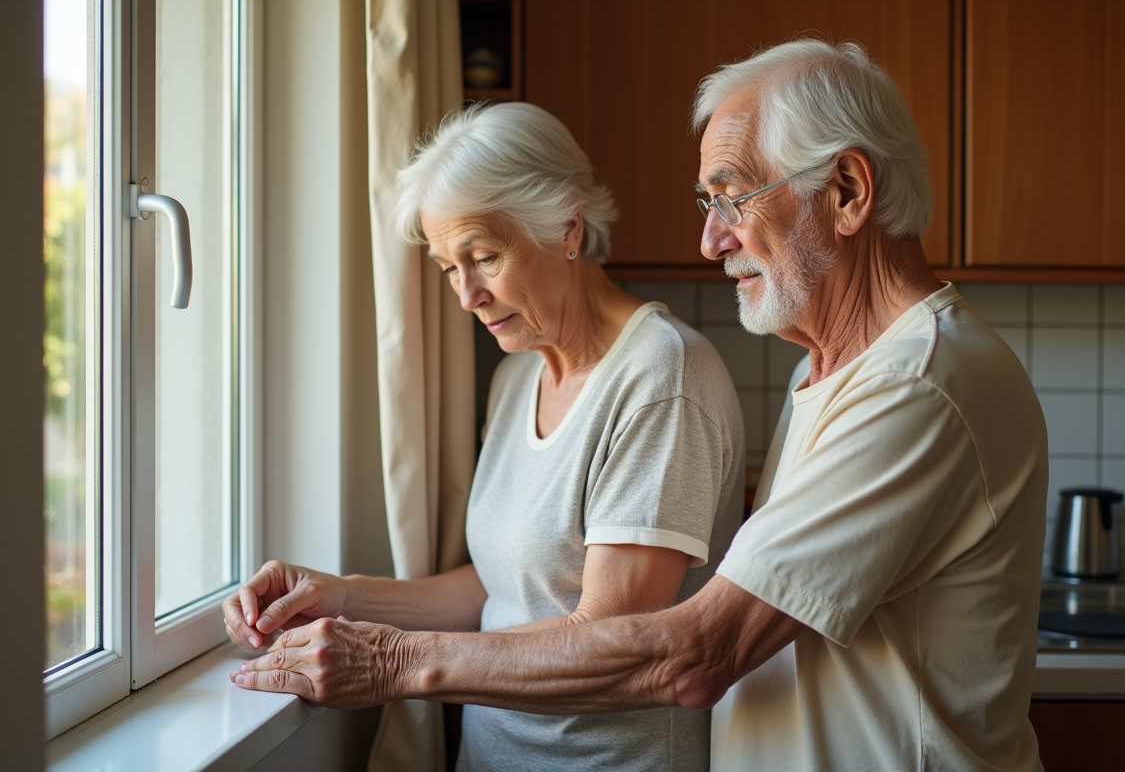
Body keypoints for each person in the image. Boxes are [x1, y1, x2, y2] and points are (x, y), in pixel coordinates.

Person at [231, 39, 1049, 772]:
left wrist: (393, 664)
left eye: (733, 199)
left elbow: (693, 654)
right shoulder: (835, 371)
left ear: (845, 190)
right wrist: (345, 597)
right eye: (709, 205)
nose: (711, 241)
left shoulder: (917, 386)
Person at [223, 102, 745, 772]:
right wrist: (340, 597)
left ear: (567, 228)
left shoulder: (662, 375)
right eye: (448, 266)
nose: (466, 293)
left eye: (485, 257)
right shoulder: (516, 375)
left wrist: (392, 663)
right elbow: (502, 589)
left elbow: (612, 643)